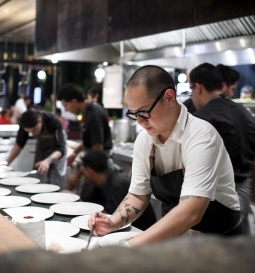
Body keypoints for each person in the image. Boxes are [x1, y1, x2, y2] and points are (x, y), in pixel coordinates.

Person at [89, 65, 242, 246]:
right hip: (174, 238)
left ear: (169, 97)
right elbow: (138, 195)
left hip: (219, 241)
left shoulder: (201, 136)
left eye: (144, 112)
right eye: (133, 114)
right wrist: (113, 222)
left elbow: (191, 211)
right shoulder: (145, 141)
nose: (139, 121)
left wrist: (130, 245)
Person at [189, 62, 255, 234]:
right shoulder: (248, 115)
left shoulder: (200, 119)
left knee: (211, 256)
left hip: (213, 201)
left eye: (191, 90)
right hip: (243, 198)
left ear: (198, 88)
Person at [80, 150, 157, 231]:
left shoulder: (118, 185)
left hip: (140, 231)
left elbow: (114, 217)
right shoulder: (96, 184)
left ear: (89, 170)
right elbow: (86, 200)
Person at [57, 84, 113, 192]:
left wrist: (78, 176)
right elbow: (89, 140)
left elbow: (97, 150)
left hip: (99, 169)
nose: (66, 110)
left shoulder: (94, 114)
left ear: (74, 101)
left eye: (66, 106)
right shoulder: (87, 111)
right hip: (93, 166)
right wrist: (75, 153)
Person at [6, 110, 67, 189]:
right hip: (41, 148)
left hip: (56, 152)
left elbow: (61, 149)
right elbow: (19, 144)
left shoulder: (53, 121)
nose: (32, 134)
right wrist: (6, 163)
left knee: (55, 182)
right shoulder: (25, 123)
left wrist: (47, 161)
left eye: (34, 130)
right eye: (29, 132)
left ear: (40, 120)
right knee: (38, 177)